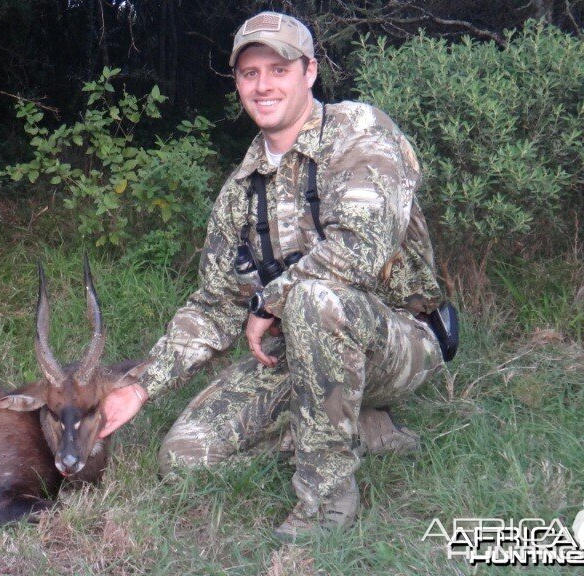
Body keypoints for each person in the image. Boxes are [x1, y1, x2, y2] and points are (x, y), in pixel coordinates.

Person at [99, 11, 447, 540]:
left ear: (309, 72)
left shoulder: (360, 131)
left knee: (312, 300)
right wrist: (140, 386)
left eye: (278, 69)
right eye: (249, 73)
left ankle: (326, 497)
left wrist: (268, 304)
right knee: (185, 459)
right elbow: (214, 305)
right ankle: (355, 426)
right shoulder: (240, 191)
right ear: (238, 83)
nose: (263, 86)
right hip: (300, 354)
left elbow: (360, 249)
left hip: (397, 342)